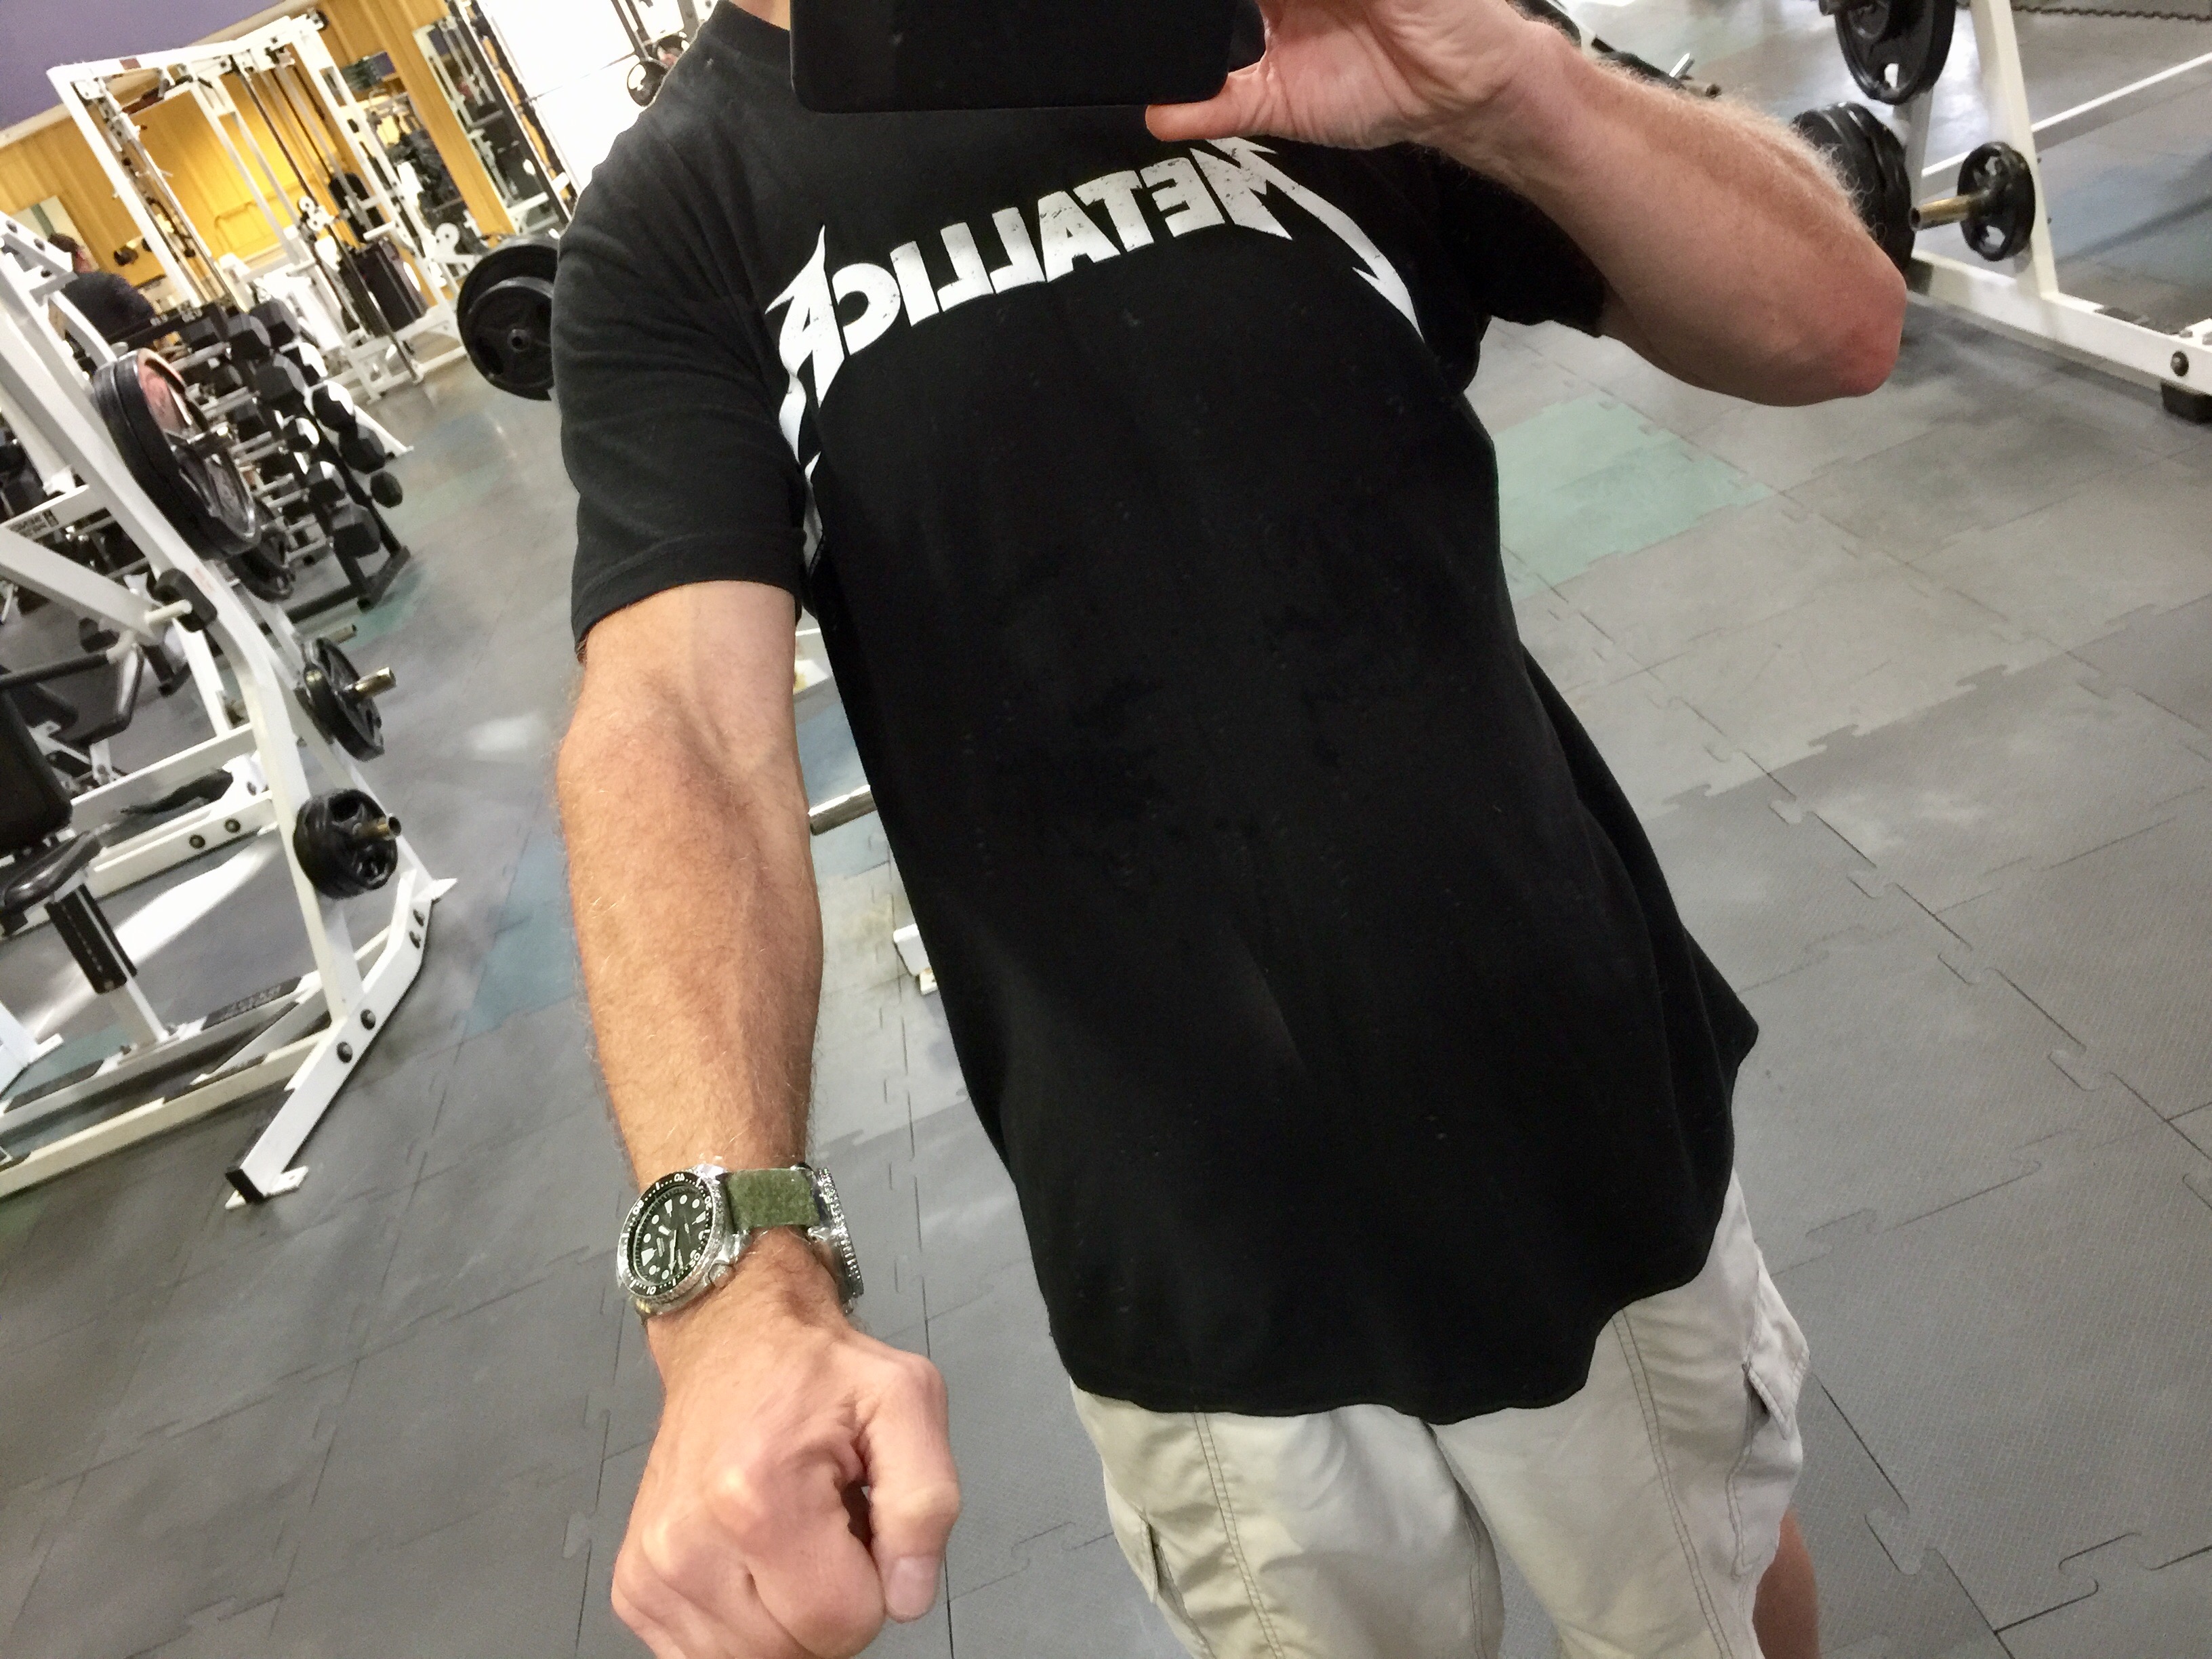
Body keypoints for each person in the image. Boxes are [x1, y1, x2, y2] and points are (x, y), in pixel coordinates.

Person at [552, 0, 1905, 1654]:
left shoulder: (1308, 14)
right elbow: (680, 722)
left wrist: (1516, 89)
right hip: (1186, 1243)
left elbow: (1838, 324)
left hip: (1569, 1098)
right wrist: (733, 1279)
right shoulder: (677, 223)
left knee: (1712, 1600)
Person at [47, 234, 157, 344]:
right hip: (136, 347)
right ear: (80, 254)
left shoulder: (55, 303)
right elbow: (145, 311)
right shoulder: (109, 281)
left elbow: (64, 339)